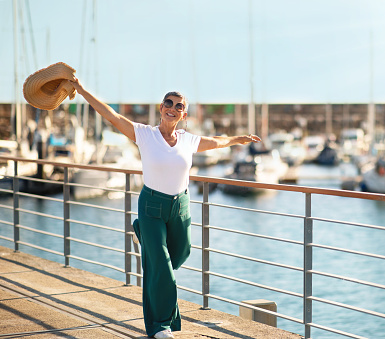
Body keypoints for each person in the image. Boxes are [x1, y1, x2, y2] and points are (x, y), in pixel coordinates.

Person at [68, 77, 261, 339]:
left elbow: (215, 141)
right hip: (151, 205)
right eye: (168, 103)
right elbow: (110, 115)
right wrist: (81, 90)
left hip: (180, 206)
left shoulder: (187, 140)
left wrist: (238, 139)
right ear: (161, 108)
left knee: (181, 253)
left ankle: (144, 239)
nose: (172, 107)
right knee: (161, 267)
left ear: (184, 113)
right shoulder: (144, 134)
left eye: (178, 106)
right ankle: (161, 325)